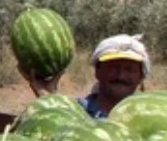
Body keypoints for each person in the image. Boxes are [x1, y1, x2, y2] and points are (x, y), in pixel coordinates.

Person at [22, 33, 150, 118]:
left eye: (129, 69)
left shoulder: (149, 119)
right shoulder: (74, 112)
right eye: (113, 67)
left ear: (141, 76)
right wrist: (46, 96)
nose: (121, 75)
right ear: (97, 71)